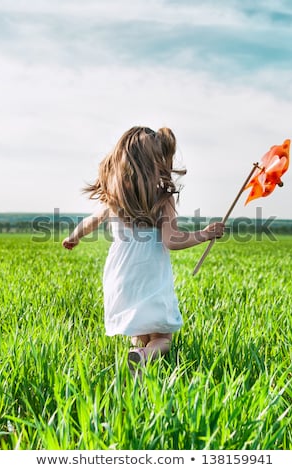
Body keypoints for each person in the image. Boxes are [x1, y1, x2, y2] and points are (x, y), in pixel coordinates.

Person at [63, 126, 224, 373]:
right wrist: (206, 234)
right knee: (162, 338)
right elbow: (173, 240)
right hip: (150, 275)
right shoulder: (163, 196)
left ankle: (137, 371)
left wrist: (74, 237)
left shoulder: (115, 197)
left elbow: (90, 222)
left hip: (122, 276)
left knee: (138, 332)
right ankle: (145, 354)